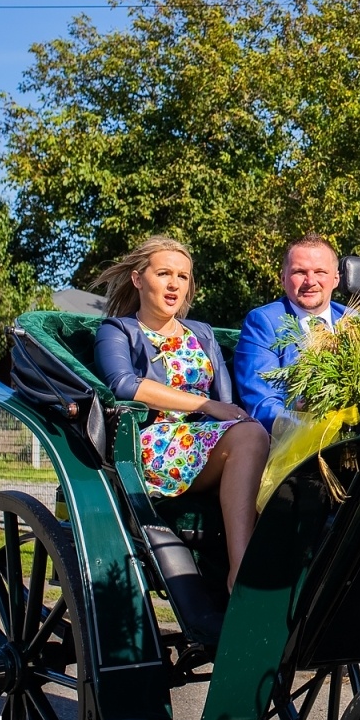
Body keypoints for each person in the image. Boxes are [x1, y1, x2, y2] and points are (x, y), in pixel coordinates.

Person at [92, 235, 268, 591]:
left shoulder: (201, 333)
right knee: (251, 436)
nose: (174, 284)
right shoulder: (119, 330)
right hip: (153, 443)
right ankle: (241, 575)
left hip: (206, 439)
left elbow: (226, 400)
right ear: (138, 279)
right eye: (164, 274)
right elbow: (125, 385)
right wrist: (205, 405)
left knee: (272, 443)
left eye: (183, 276)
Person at [235, 233, 350, 431]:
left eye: (320, 272)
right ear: (283, 279)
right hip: (293, 437)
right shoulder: (263, 322)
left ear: (336, 278)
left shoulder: (358, 322)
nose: (310, 281)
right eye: (300, 272)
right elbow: (263, 403)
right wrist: (306, 425)